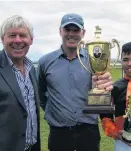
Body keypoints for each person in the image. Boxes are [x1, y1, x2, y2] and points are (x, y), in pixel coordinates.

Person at [38, 13, 113, 151]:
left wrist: (105, 89)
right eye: (67, 29)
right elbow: (41, 94)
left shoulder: (94, 60)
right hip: (59, 133)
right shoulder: (45, 62)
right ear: (60, 31)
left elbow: (101, 97)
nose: (71, 34)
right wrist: (52, 111)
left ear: (83, 33)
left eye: (76, 30)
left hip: (88, 132)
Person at [0, 15, 41, 151]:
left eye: (23, 35)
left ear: (31, 40)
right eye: (12, 35)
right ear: (2, 39)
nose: (18, 40)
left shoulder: (32, 70)